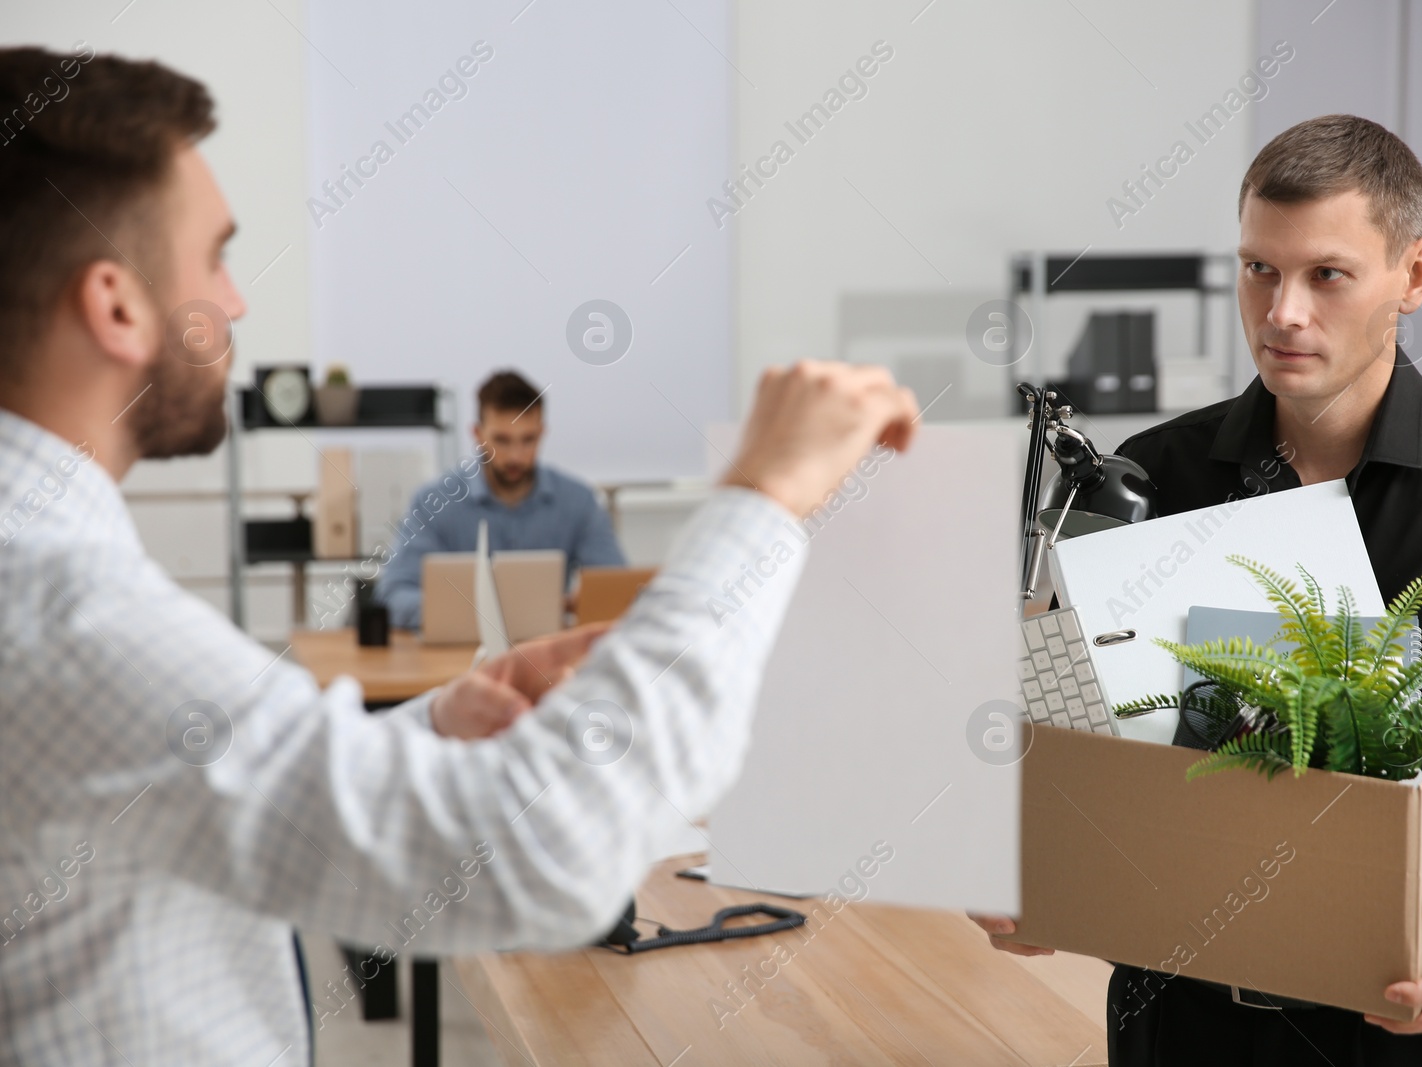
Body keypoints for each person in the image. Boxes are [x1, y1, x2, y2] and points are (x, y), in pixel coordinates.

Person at [0, 46, 919, 1065]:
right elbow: (540, 854)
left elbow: (237, 792)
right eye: (215, 256)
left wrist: (435, 727)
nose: (239, 300)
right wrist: (764, 496)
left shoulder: (49, 571)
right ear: (118, 304)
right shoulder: (55, 600)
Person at [974, 114, 1422, 1065]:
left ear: (1416, 276)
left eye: (1328, 275)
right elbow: (1087, 748)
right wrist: (1035, 865)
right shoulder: (1152, 476)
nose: (1283, 313)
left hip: (1406, 1030)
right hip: (1172, 1025)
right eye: (1259, 269)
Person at [375, 369, 626, 630]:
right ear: (477, 434)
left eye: (528, 440)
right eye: (502, 441)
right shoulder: (434, 502)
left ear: (542, 433)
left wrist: (584, 604)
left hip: (543, 654)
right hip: (458, 657)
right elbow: (394, 594)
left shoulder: (578, 501)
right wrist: (466, 615)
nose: (516, 456)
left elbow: (616, 589)